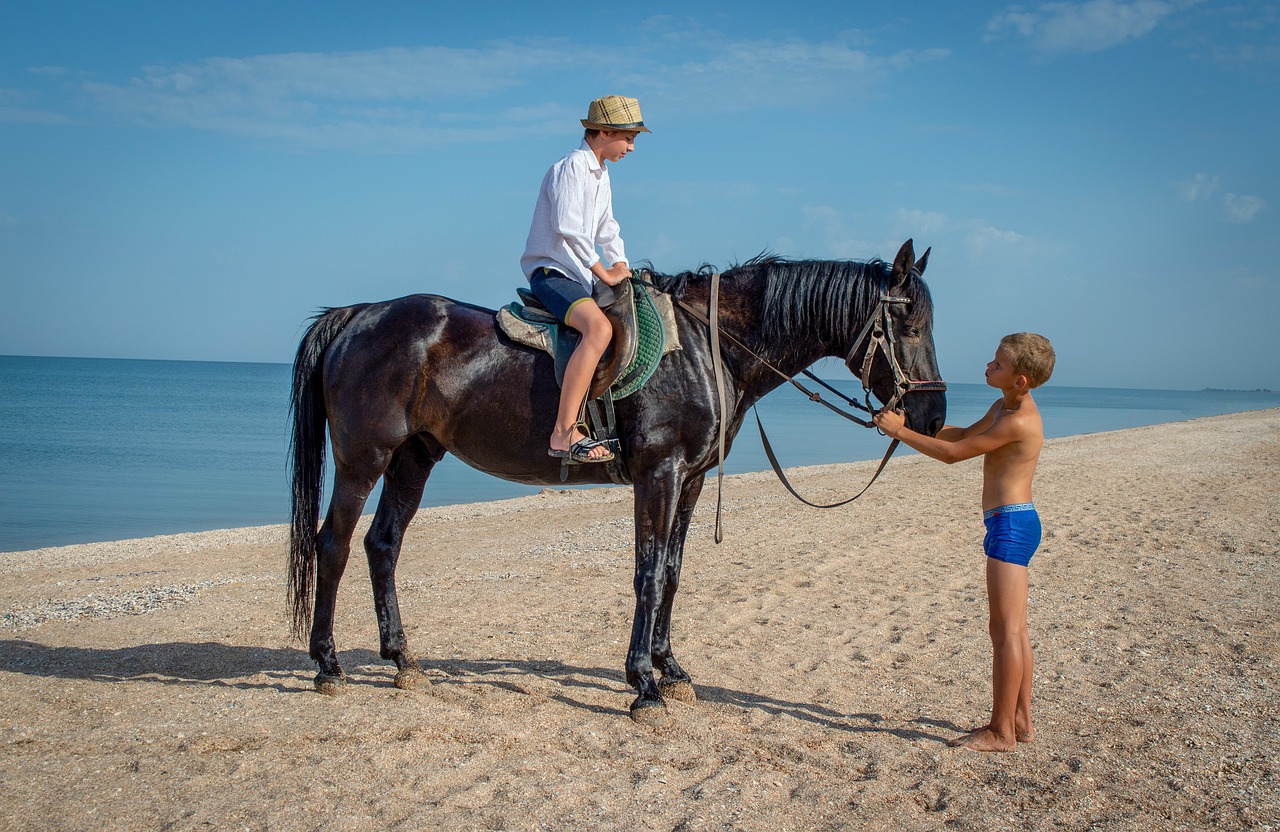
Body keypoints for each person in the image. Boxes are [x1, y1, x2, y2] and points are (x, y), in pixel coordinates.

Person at [873, 332, 1056, 752]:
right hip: (1008, 522)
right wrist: (914, 423)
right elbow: (958, 437)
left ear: (1020, 380)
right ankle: (1022, 720)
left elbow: (954, 457)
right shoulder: (1002, 406)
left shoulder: (1018, 420)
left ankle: (1001, 732)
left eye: (998, 364)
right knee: (1016, 630)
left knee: (1005, 631)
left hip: (1011, 525)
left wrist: (900, 434)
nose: (988, 366)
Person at [521, 95, 650, 463]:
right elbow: (570, 230)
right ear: (605, 131)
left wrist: (621, 263)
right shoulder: (573, 167)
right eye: (628, 138)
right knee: (598, 330)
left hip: (578, 275)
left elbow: (607, 227)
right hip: (552, 273)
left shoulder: (600, 173)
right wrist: (604, 271)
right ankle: (563, 432)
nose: (631, 147)